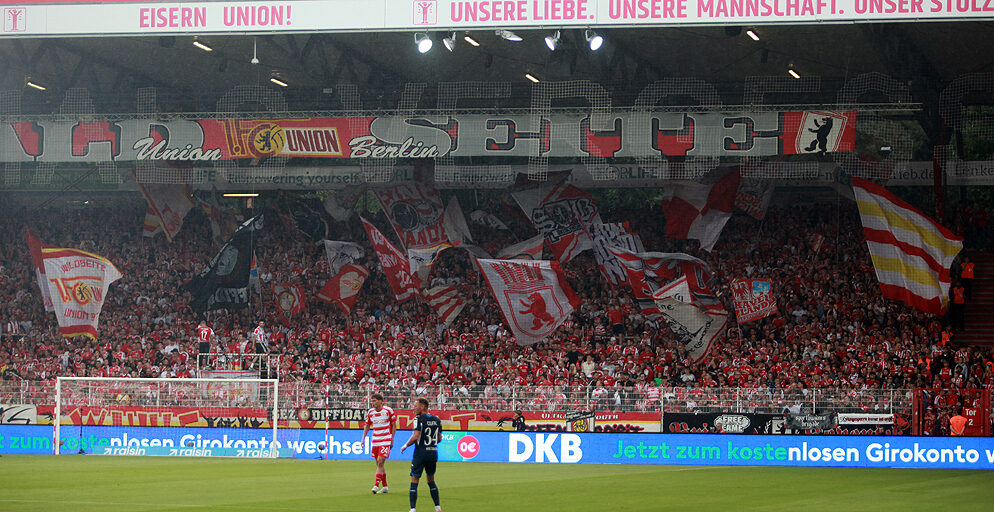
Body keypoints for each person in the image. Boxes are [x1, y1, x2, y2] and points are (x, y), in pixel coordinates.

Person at [401, 397, 442, 512]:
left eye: (415, 405)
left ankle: (413, 509)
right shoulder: (437, 419)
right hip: (433, 453)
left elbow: (415, 437)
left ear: (422, 407)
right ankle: (437, 507)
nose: (414, 407)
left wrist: (405, 445)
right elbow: (439, 438)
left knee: (414, 479)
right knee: (431, 480)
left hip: (420, 453)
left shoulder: (418, 419)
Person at [362, 392, 396, 494]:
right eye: (372, 401)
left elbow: (394, 425)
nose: (373, 403)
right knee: (378, 464)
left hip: (385, 439)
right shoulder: (370, 412)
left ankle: (376, 485)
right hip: (375, 440)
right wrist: (363, 438)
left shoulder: (388, 411)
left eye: (374, 401)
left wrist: (392, 439)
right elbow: (367, 425)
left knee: (380, 461)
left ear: (381, 401)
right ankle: (385, 486)